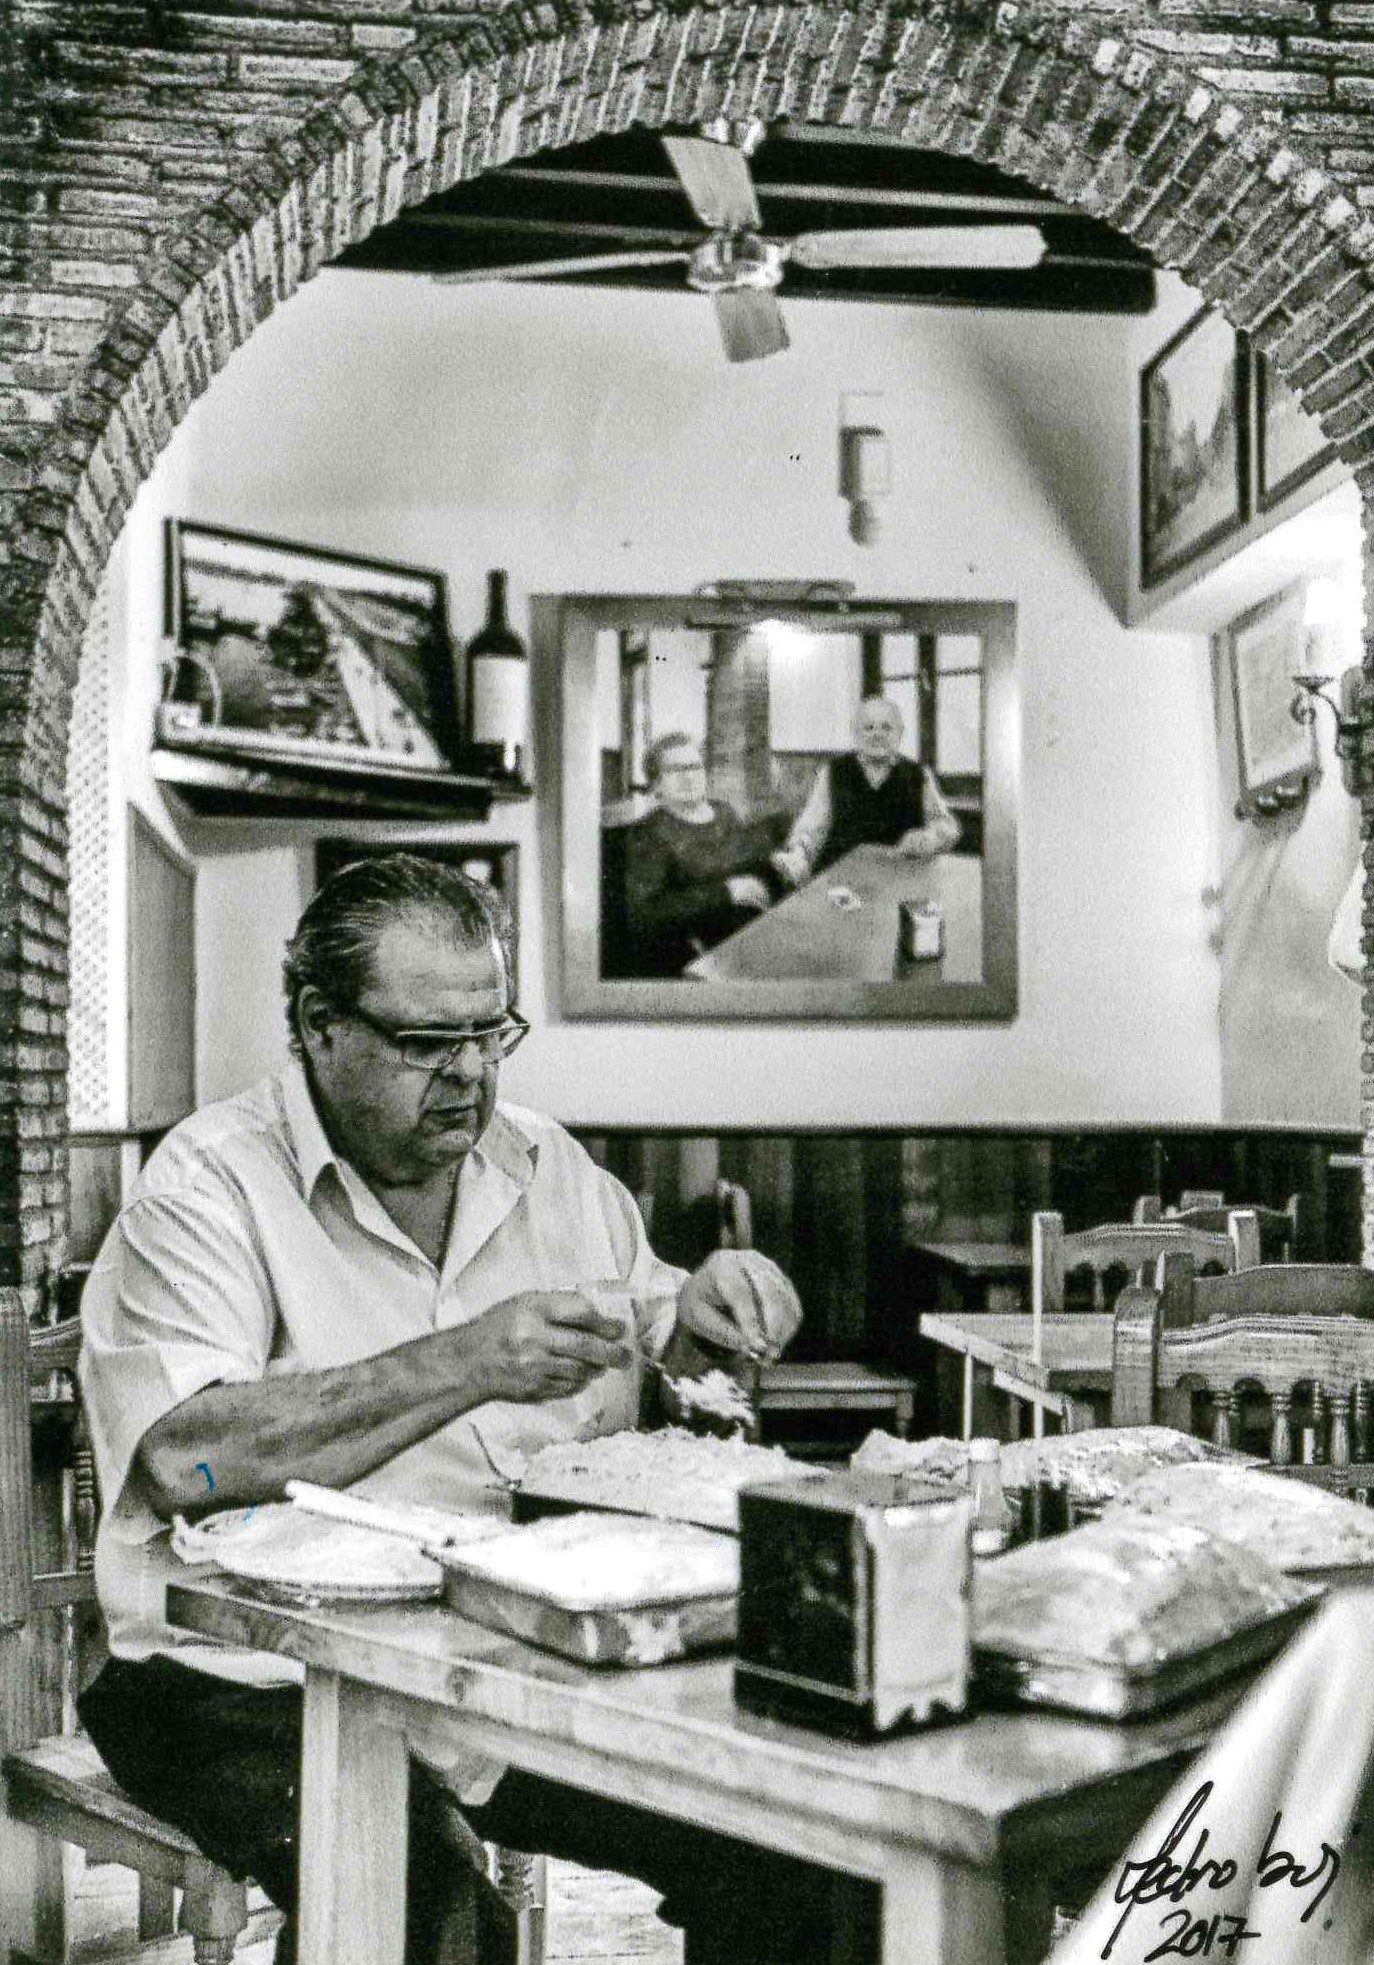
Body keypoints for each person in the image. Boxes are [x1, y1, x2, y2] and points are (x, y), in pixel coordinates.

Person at [74, 854, 857, 1965]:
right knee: (416, 1919)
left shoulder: (548, 1167)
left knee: (811, 1852)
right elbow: (182, 1460)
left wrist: (705, 1317)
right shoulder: (207, 1187)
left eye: (492, 1032)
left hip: (503, 1662)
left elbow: (654, 1328)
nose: (472, 1073)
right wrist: (466, 1361)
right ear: (319, 1024)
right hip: (237, 1677)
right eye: (428, 1042)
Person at [619, 731, 789, 977]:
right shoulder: (648, 834)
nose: (688, 776)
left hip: (750, 931)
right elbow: (644, 915)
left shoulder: (723, 812)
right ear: (656, 785)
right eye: (675, 770)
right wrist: (727, 892)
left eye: (694, 767)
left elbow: (738, 858)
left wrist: (774, 860)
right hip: (698, 952)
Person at [773, 695, 961, 885]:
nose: (877, 734)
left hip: (900, 880)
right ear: (855, 733)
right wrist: (798, 854)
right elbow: (812, 827)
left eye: (886, 727)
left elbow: (947, 826)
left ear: (900, 733)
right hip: (840, 879)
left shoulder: (919, 774)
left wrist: (930, 837)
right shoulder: (834, 771)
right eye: (868, 728)